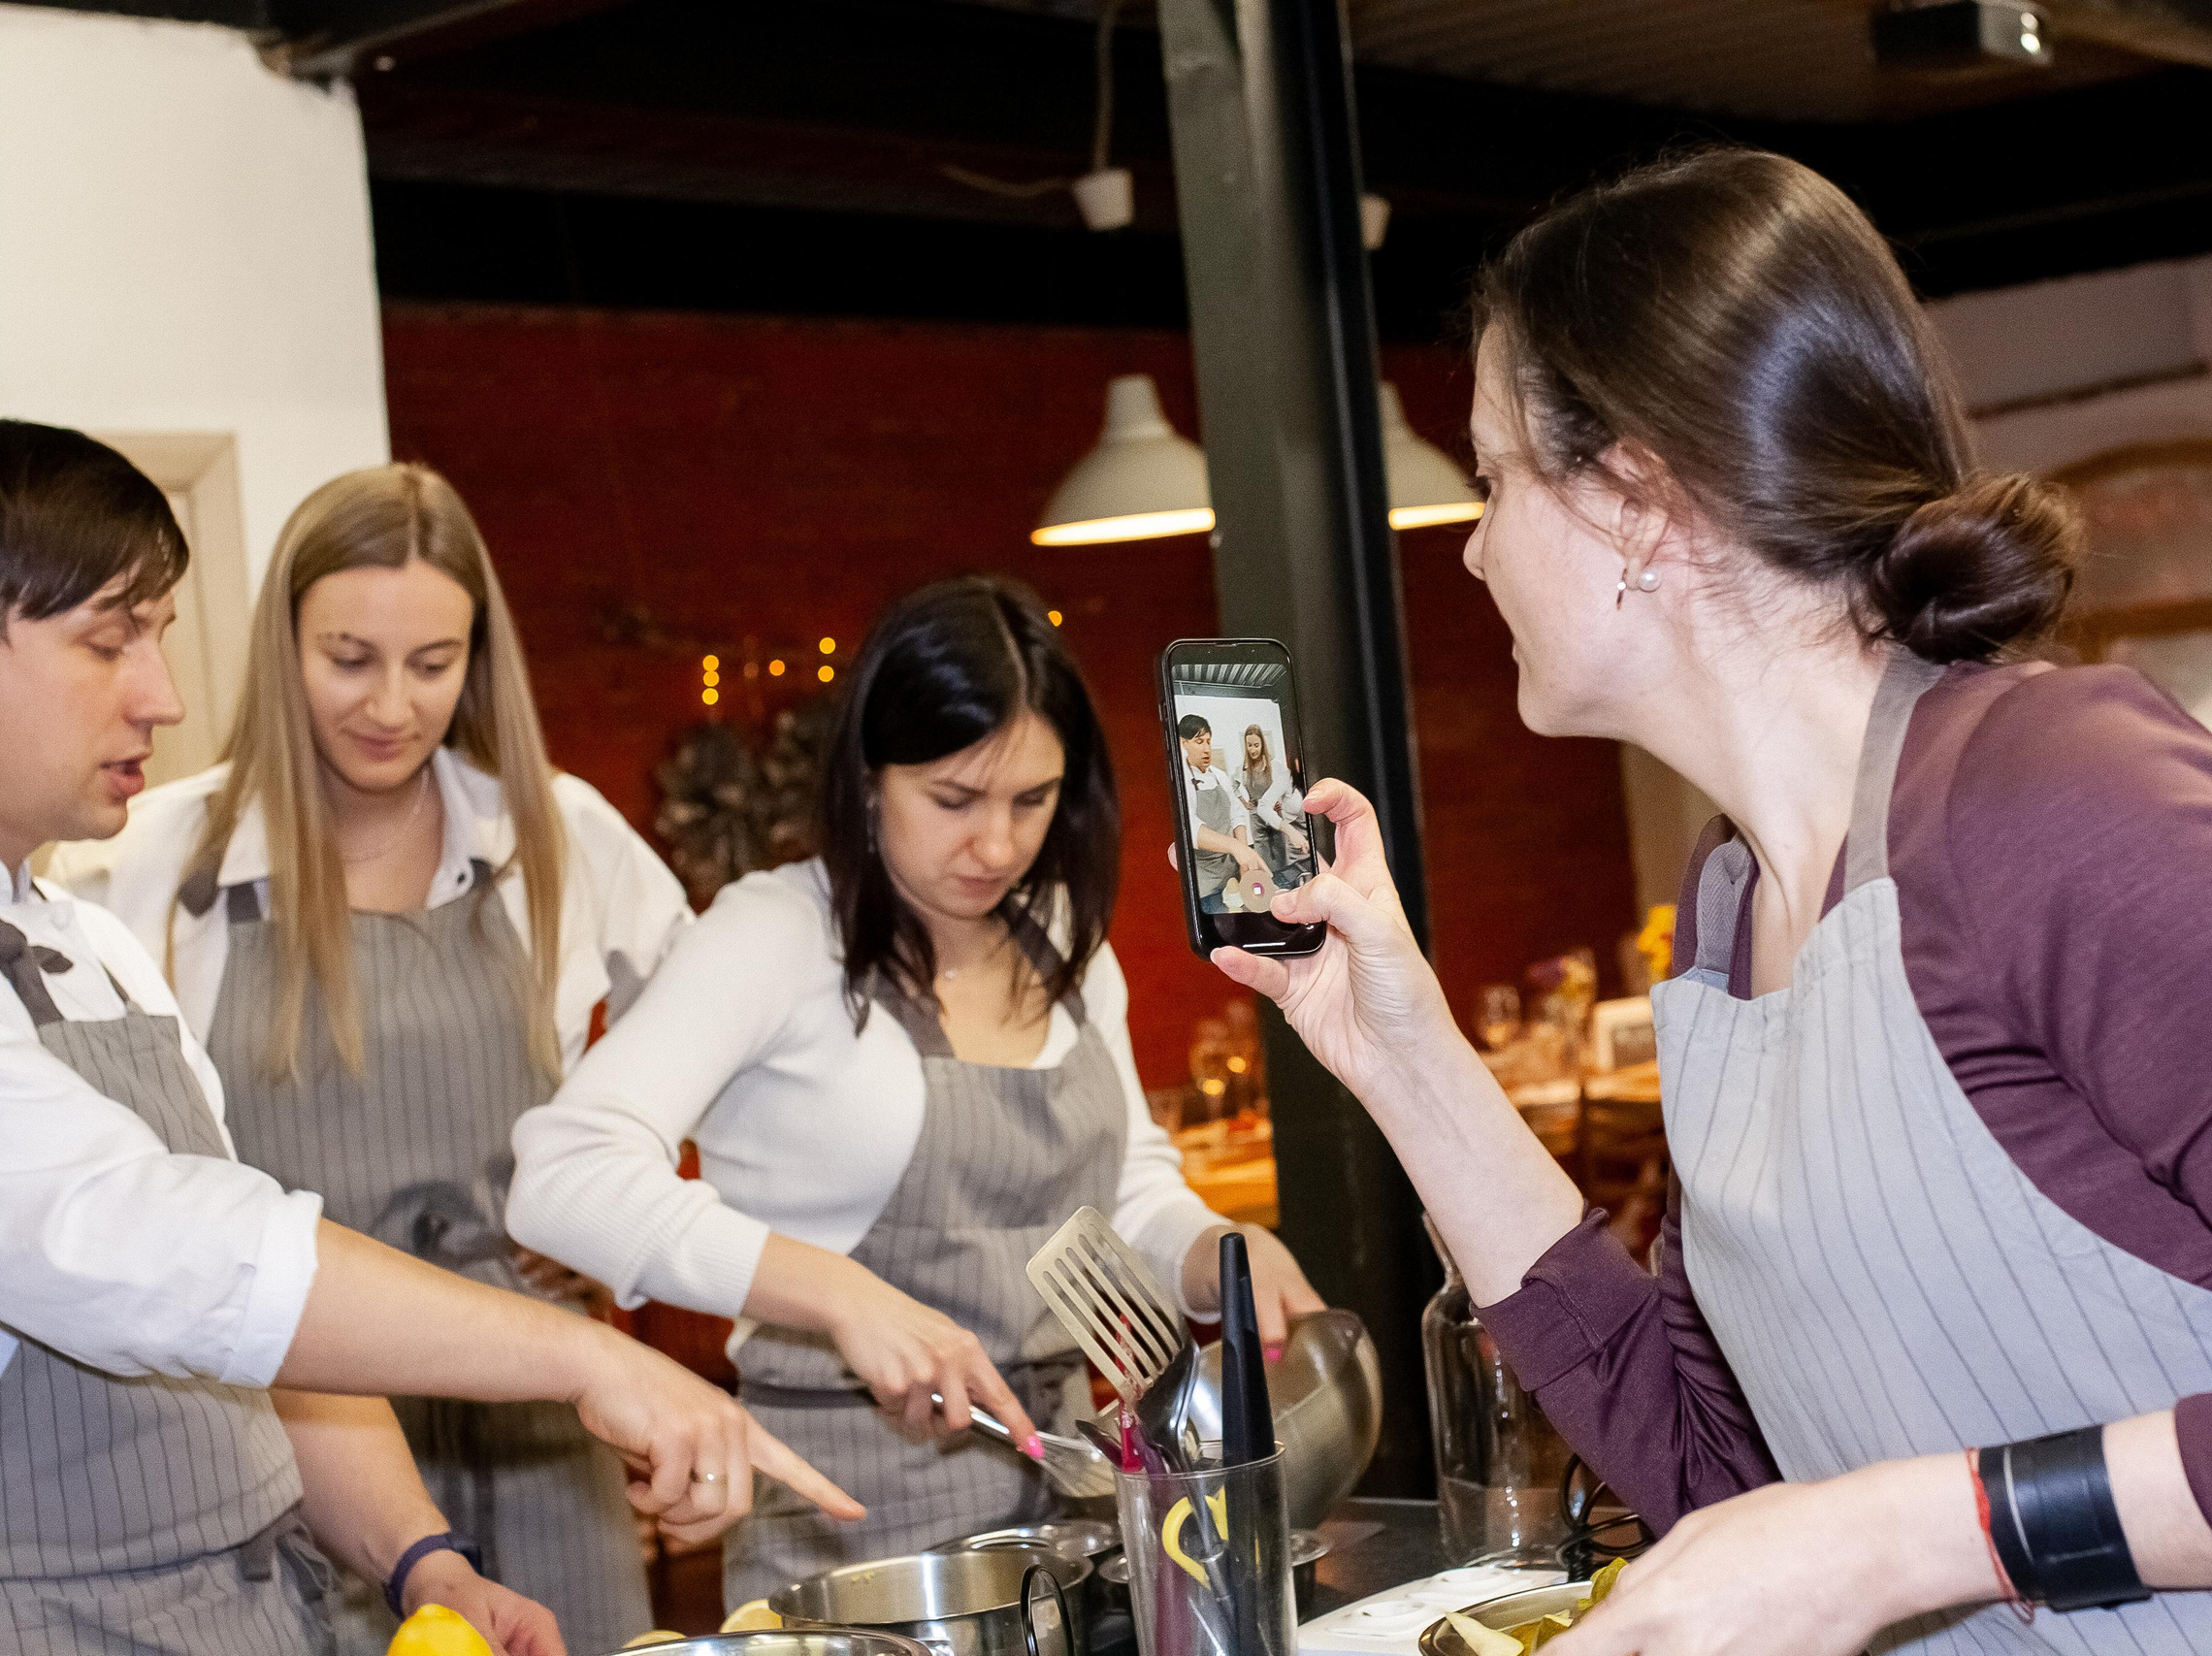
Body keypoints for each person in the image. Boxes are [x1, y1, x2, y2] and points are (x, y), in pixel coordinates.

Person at [1205, 150, 2212, 1656]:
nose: (1473, 545)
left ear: (1636, 502)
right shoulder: (1734, 903)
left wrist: (1910, 1530)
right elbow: (1718, 1471)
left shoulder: (2061, 797)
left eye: (1494, 476)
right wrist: (1400, 1057)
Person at [0, 420, 860, 1656]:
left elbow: (246, 1322)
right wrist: (578, 1358)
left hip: (327, 1527)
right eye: (107, 640)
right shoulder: (165, 875)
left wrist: (422, 1559)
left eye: (162, 635)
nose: (163, 696)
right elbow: (194, 1264)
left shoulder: (91, 944)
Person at [508, 576, 1323, 1605]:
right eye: (953, 800)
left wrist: (1220, 1254)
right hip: (850, 1547)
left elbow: (1120, 1197)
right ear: (866, 778)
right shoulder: (774, 935)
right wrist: (836, 1292)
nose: (997, 847)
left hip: (1071, 1521)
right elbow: (560, 1174)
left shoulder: (1063, 933)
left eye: (1032, 801)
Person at [1175, 714, 1273, 912]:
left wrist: (1244, 861)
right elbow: (1189, 827)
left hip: (1231, 868)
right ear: (1183, 743)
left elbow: (1236, 816)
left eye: (1209, 741)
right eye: (1199, 741)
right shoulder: (1181, 779)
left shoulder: (1220, 776)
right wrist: (1237, 848)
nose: (1206, 748)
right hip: (1205, 878)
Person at [1234, 725, 1312, 890]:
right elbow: (1234, 785)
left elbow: (1282, 791)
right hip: (1256, 816)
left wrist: (1278, 803)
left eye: (1256, 745)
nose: (1253, 749)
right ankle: (1269, 889)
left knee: (1282, 854)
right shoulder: (1243, 768)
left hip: (1274, 815)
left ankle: (1285, 886)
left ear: (1262, 744)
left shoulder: (1274, 765)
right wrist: (1245, 802)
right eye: (1249, 745)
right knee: (1263, 856)